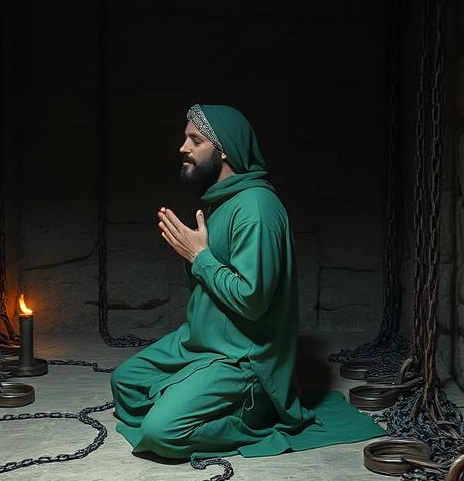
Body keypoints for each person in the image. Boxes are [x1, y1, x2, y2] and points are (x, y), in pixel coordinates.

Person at [111, 103, 331, 461]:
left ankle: (255, 411)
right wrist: (193, 257)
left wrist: (200, 257)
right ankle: (189, 393)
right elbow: (211, 287)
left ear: (224, 149)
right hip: (200, 341)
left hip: (243, 357)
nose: (183, 148)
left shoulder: (256, 209)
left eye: (194, 140)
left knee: (160, 432)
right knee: (124, 383)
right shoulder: (221, 201)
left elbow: (252, 300)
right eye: (185, 138)